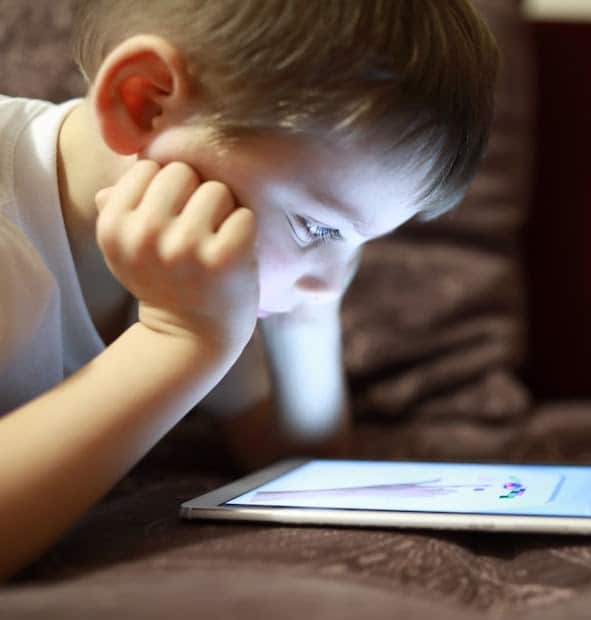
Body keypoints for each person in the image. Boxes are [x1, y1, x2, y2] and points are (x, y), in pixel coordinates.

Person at [0, 0, 499, 579]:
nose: (332, 276)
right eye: (317, 227)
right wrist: (178, 341)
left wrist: (307, 315)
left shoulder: (187, 258)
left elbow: (289, 454)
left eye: (358, 242)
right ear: (145, 103)